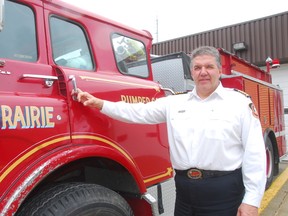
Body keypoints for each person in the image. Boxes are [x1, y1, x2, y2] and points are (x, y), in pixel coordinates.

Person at [73, 46, 266, 216]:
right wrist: (100, 104)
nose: (203, 72)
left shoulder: (239, 103)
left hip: (222, 193)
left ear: (220, 70)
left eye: (209, 67)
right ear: (191, 72)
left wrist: (251, 201)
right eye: (197, 68)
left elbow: (254, 154)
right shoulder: (174, 102)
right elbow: (136, 112)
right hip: (184, 192)